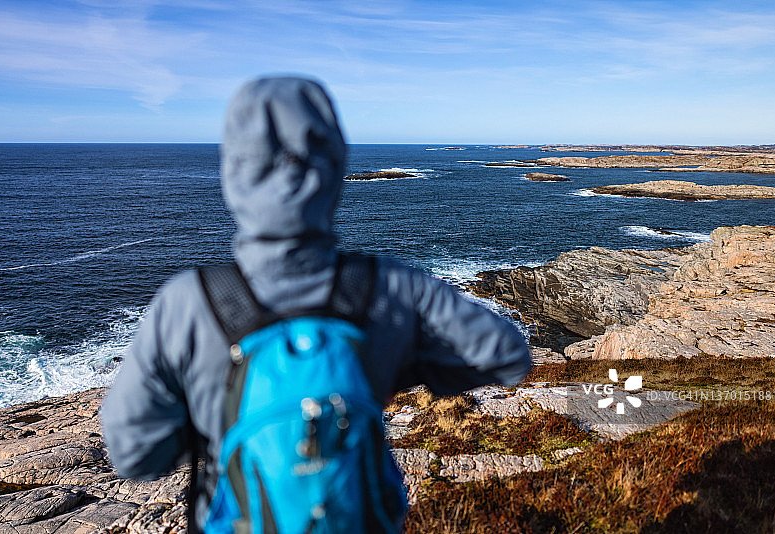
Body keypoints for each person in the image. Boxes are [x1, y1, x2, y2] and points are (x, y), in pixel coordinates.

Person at [101, 76, 531, 531]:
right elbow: (507, 356)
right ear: (334, 166)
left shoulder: (187, 301)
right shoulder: (391, 287)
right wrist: (391, 370)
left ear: (234, 170)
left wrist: (215, 420)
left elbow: (134, 457)